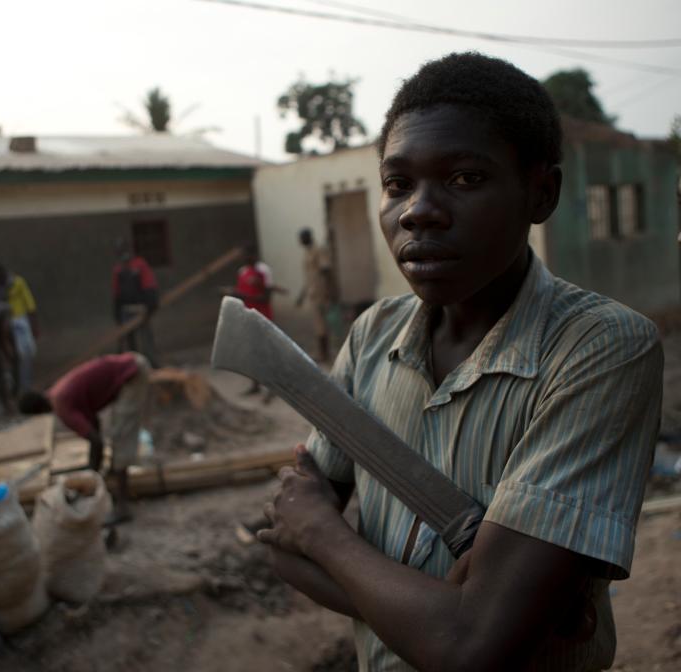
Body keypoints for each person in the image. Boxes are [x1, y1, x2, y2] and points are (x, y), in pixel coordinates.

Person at [256, 52, 662, 671]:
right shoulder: (371, 338)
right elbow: (281, 549)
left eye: (466, 178)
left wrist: (322, 533)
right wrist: (450, 615)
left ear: (541, 192)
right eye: (397, 185)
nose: (418, 210)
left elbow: (472, 648)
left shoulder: (597, 348)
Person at [18, 352, 152, 523]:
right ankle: (115, 472)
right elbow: (94, 426)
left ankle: (123, 507)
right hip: (129, 365)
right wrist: (92, 470)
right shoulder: (57, 393)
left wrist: (90, 475)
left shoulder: (61, 405)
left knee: (121, 436)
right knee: (117, 429)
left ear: (37, 413)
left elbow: (96, 440)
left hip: (132, 373)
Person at [230, 245, 276, 398]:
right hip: (247, 316)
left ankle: (272, 388)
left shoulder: (263, 271)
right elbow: (241, 293)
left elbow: (266, 297)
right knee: (251, 352)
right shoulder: (242, 272)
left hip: (262, 316)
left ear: (253, 255)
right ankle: (255, 385)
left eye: (246, 255)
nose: (244, 258)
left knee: (265, 352)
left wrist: (243, 296)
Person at [0, 264, 39, 395]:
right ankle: (21, 387)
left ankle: (26, 384)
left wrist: (33, 323)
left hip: (20, 320)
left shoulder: (17, 282)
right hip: (4, 323)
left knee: (28, 352)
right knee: (16, 355)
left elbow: (29, 302)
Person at [111, 239, 159, 366]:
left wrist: (151, 302)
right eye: (120, 251)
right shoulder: (118, 270)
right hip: (126, 310)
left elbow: (149, 283)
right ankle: (132, 366)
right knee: (128, 340)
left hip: (140, 308)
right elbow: (116, 293)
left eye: (125, 250)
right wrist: (116, 312)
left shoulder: (139, 265)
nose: (124, 253)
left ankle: (152, 363)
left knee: (145, 338)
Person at [295, 228, 334, 362]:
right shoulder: (307, 253)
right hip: (313, 292)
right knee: (318, 323)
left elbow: (326, 271)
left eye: (301, 238)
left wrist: (329, 291)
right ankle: (322, 352)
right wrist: (302, 295)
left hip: (320, 292)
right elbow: (309, 276)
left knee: (321, 324)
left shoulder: (318, 250)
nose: (300, 241)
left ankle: (324, 354)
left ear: (307, 237)